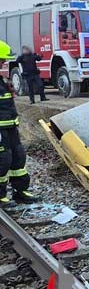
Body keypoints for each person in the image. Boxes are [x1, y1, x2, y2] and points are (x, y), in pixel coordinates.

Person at [0, 42, 37, 205]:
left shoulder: (1, 80)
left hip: (10, 126)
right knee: (3, 160)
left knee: (18, 157)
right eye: (1, 60)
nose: (3, 63)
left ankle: (20, 191)